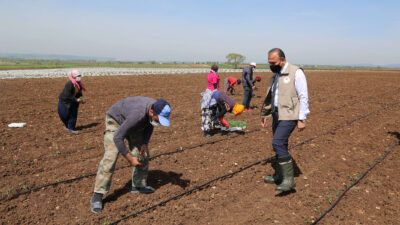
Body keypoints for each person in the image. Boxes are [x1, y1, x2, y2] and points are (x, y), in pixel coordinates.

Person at [90, 97, 171, 213]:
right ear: (151, 112)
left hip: (131, 123)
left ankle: (138, 185)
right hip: (116, 121)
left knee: (143, 153)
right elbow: (117, 137)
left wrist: (144, 142)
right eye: (159, 120)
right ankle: (97, 195)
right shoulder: (137, 114)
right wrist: (130, 159)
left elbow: (149, 125)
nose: (159, 123)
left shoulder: (155, 108)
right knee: (111, 156)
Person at [260, 48, 310, 192]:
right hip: (277, 114)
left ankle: (289, 181)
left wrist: (302, 118)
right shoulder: (275, 75)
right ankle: (279, 176)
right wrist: (265, 114)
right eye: (269, 62)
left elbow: (303, 96)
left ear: (282, 59)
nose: (271, 65)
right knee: (281, 144)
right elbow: (271, 96)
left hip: (290, 115)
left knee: (277, 142)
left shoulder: (296, 72)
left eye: (273, 62)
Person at [57, 69, 86, 134]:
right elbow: (67, 95)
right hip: (64, 102)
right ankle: (68, 127)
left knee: (73, 116)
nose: (79, 77)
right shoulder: (69, 84)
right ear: (73, 76)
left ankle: (70, 128)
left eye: (80, 75)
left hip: (73, 102)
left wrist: (82, 99)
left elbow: (79, 93)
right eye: (77, 76)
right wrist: (76, 99)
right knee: (64, 115)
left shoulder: (79, 84)